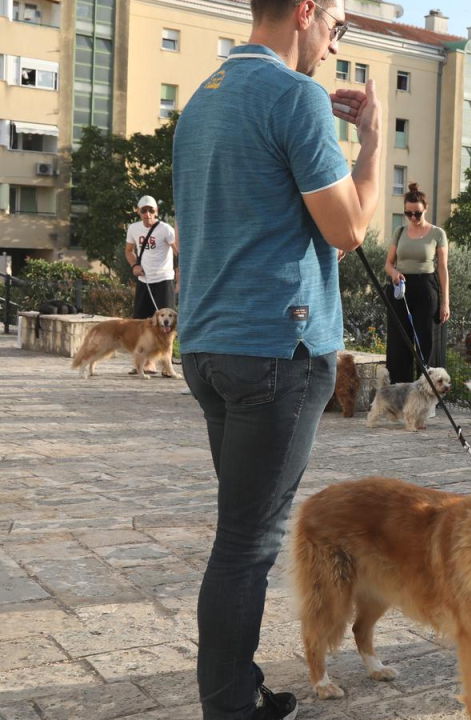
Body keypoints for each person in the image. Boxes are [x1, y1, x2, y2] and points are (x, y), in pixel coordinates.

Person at [172, 0, 382, 716]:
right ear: (305, 12)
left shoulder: (203, 97)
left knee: (240, 535)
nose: (335, 41)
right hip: (274, 347)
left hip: (209, 344)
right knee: (247, 544)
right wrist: (373, 143)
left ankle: (237, 686)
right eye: (338, 24)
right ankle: (231, 706)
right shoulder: (294, 98)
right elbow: (348, 229)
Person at [384, 182, 450, 384]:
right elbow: (388, 263)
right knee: (398, 343)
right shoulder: (400, 231)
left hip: (425, 287)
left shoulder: (437, 234)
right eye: (408, 213)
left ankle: (427, 395)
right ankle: (399, 393)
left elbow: (442, 268)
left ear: (425, 209)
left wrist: (445, 302)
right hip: (400, 287)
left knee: (424, 342)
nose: (413, 217)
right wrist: (394, 272)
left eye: (417, 213)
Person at [126, 195, 179, 373]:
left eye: (151, 210)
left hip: (163, 280)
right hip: (144, 281)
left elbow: (178, 250)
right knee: (141, 324)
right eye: (144, 210)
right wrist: (134, 265)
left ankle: (166, 365)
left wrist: (179, 273)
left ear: (157, 212)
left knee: (166, 324)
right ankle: (144, 363)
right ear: (138, 212)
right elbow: (129, 251)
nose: (148, 214)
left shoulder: (165, 229)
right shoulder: (133, 228)